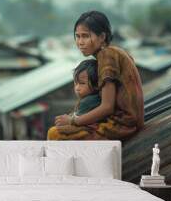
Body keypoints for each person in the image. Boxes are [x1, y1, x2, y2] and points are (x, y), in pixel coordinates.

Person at [47, 10, 144, 140]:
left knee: (54, 134)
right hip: (127, 121)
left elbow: (107, 107)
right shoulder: (115, 52)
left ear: (102, 37)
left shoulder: (107, 55)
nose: (80, 42)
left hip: (121, 124)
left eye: (86, 36)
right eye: (78, 36)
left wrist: (73, 120)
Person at [64, 59, 100, 133]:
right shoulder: (97, 97)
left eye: (82, 83)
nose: (77, 88)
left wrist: (68, 119)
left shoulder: (88, 101)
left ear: (96, 85)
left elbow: (75, 121)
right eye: (76, 83)